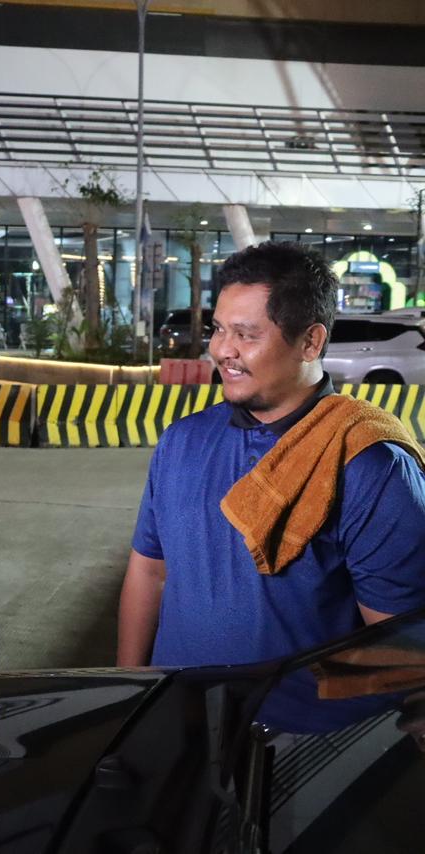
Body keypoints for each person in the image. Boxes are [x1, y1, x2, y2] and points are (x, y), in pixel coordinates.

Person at [117, 241, 425, 730]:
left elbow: (400, 648)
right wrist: (128, 694)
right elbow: (148, 571)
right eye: (219, 329)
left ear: (310, 342)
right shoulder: (182, 441)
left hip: (297, 741)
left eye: (246, 334)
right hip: (175, 722)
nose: (222, 349)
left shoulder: (369, 464)